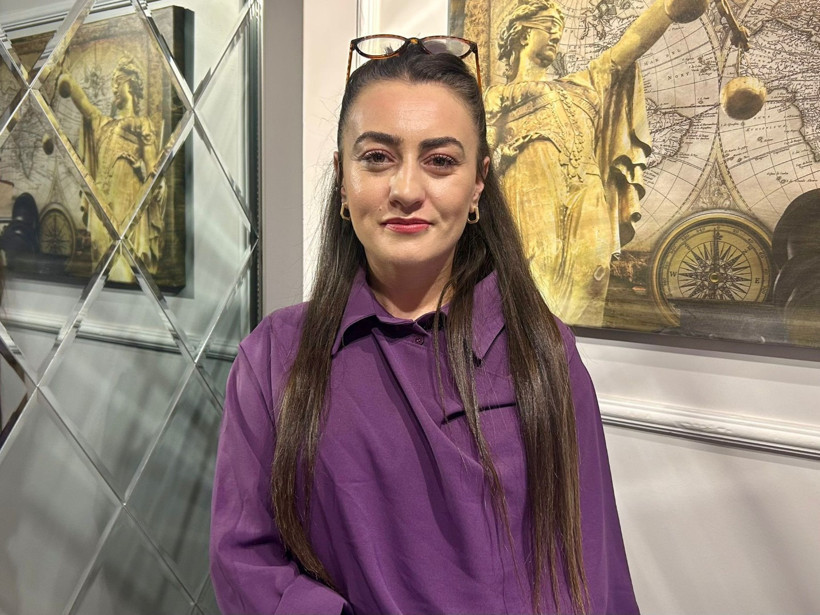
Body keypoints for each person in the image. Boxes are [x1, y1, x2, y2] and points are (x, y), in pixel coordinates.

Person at [210, 37, 638, 614]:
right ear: (342, 179)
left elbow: (591, 567)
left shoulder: (541, 350)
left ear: (478, 182)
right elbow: (245, 559)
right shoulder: (275, 356)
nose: (406, 190)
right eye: (377, 157)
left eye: (440, 161)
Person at [484, 0, 706, 326]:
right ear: (523, 34)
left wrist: (669, 9)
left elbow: (627, 47)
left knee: (593, 272)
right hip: (532, 184)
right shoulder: (493, 98)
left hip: (587, 187)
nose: (556, 36)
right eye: (549, 28)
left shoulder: (583, 84)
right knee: (537, 264)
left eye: (559, 31)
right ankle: (531, 344)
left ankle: (576, 349)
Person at [57, 55, 166, 283]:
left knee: (123, 271)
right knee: (101, 270)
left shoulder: (142, 124)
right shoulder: (103, 123)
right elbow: (85, 105)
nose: (114, 87)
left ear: (131, 86)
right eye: (113, 83)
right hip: (102, 209)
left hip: (127, 210)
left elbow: (152, 170)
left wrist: (144, 171)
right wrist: (68, 82)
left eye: (119, 82)